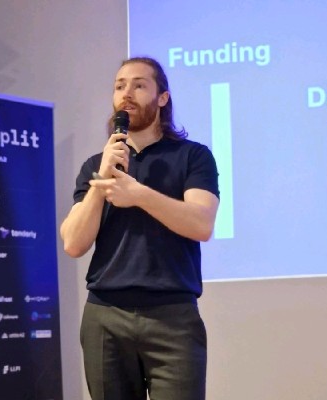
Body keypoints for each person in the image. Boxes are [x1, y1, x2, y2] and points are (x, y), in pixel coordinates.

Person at [60, 56, 220, 400]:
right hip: (105, 317)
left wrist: (139, 195)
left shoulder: (193, 157)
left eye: (139, 85)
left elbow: (201, 224)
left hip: (172, 318)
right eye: (119, 86)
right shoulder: (95, 165)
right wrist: (101, 180)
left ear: (162, 97)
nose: (126, 93)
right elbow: (73, 243)